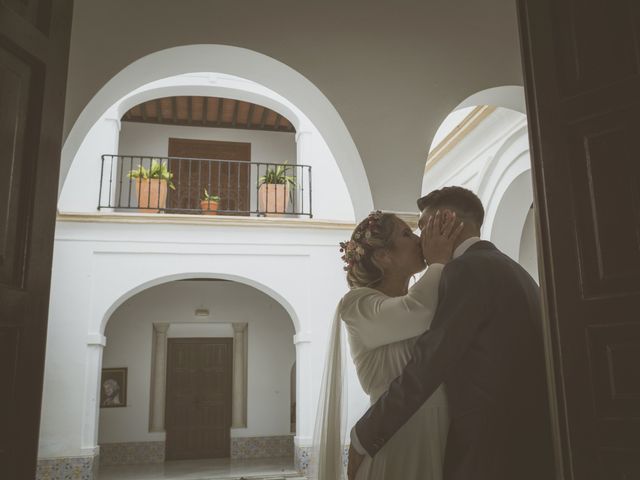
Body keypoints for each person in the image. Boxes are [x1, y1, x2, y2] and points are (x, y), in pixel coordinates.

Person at [348, 186, 555, 480]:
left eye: (422, 226)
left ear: (445, 220)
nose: (420, 239)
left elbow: (429, 363)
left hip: (487, 450)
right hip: (530, 443)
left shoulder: (464, 271)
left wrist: (365, 435)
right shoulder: (516, 271)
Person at [310, 208, 463, 480]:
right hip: (397, 439)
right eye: (406, 233)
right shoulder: (356, 304)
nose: (418, 239)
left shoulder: (425, 294)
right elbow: (417, 312)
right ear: (384, 256)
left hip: (440, 435)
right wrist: (438, 261)